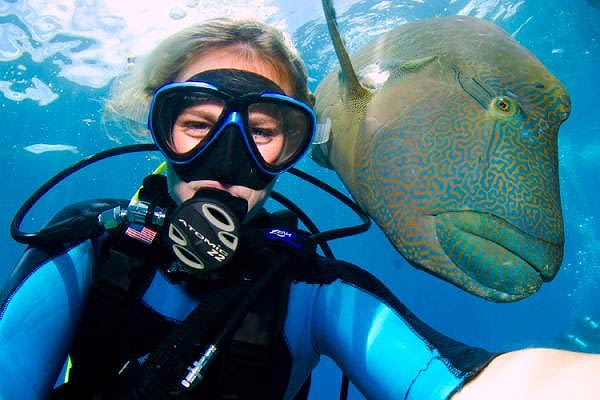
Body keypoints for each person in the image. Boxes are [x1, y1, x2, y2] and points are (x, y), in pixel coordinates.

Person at [0, 17, 599, 400]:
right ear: (158, 129)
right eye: (197, 125)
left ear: (295, 143)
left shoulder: (310, 288)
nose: (225, 162)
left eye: (261, 131)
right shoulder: (91, 247)